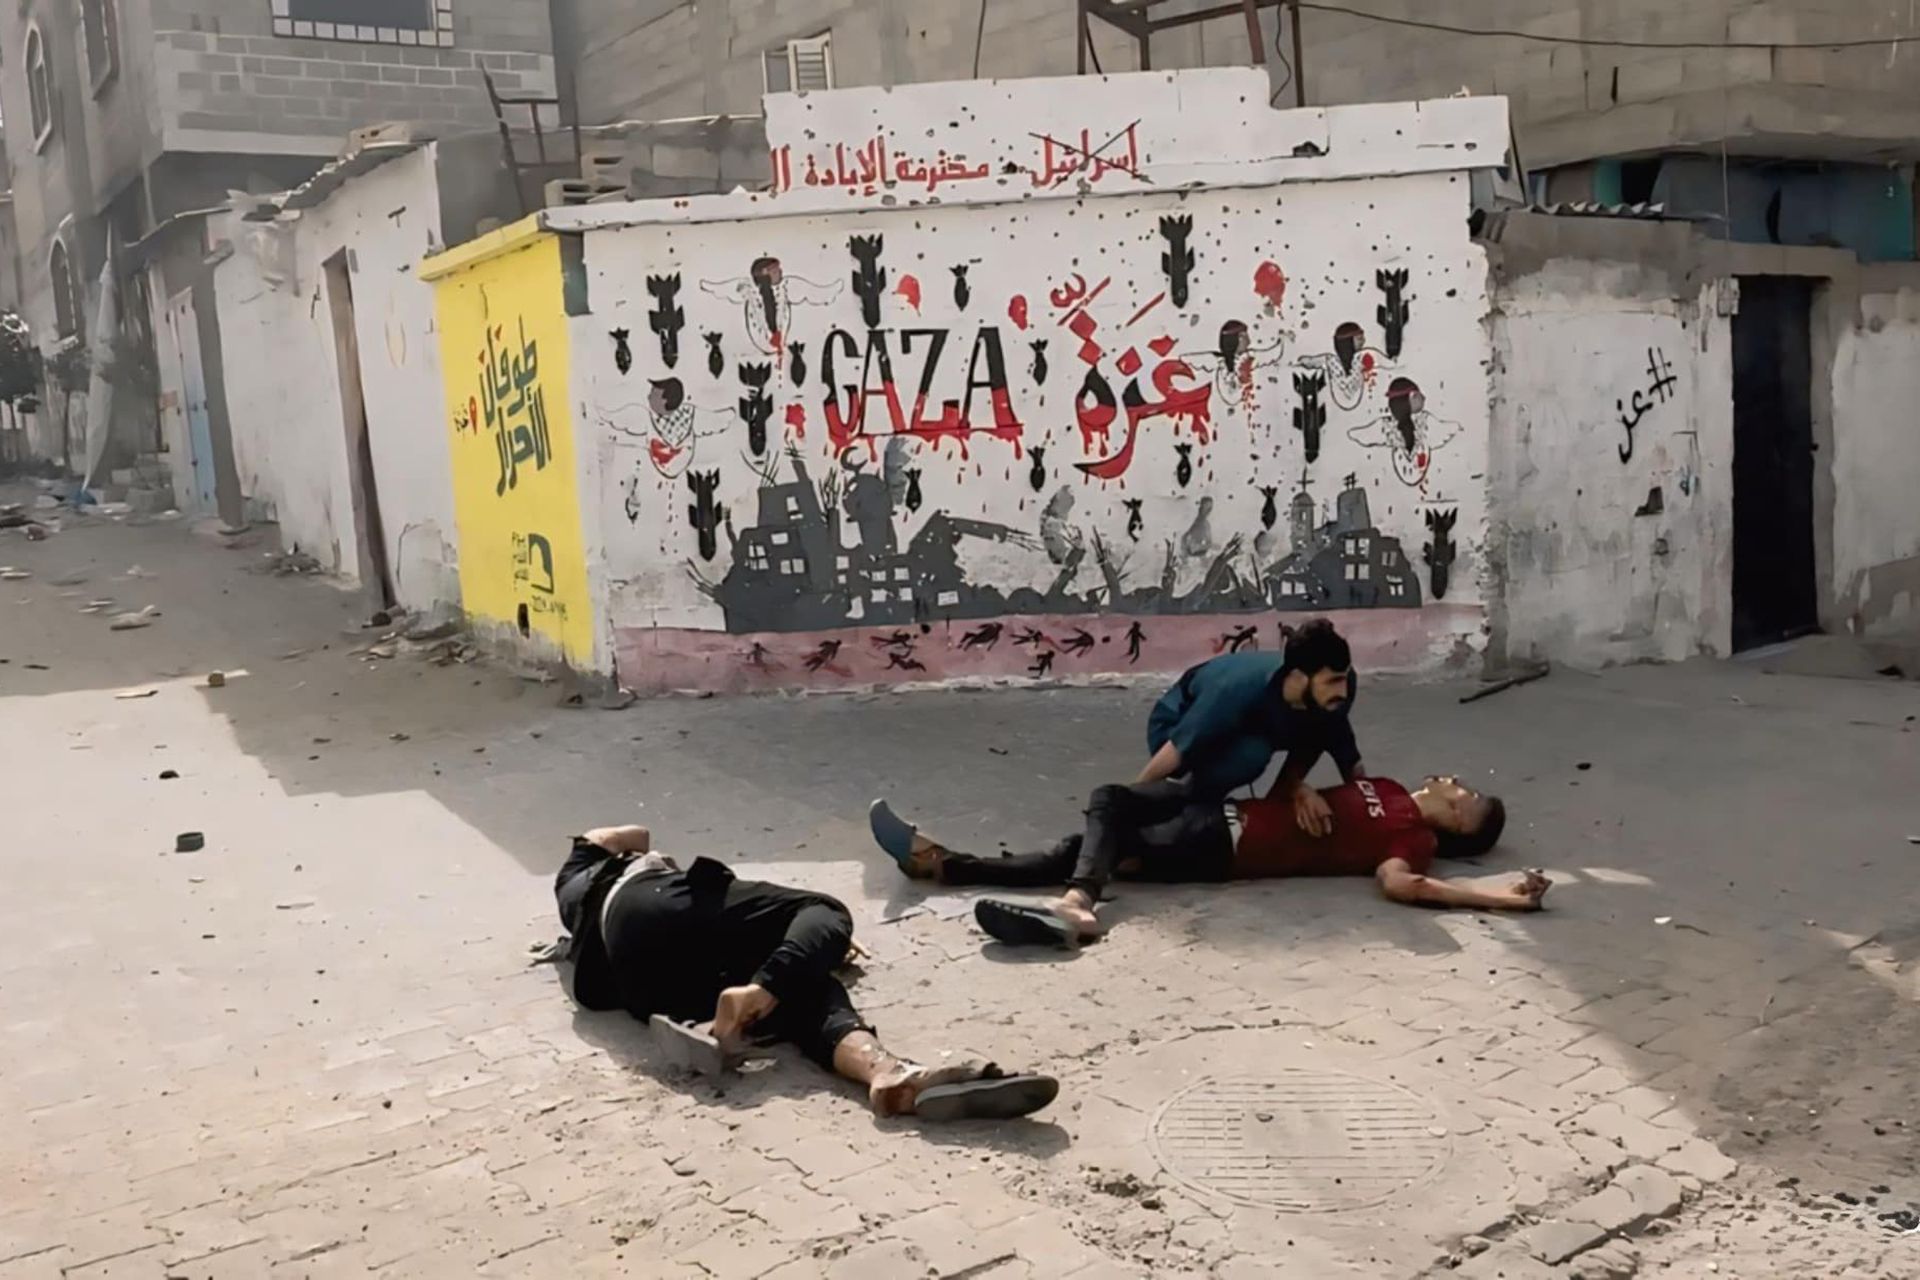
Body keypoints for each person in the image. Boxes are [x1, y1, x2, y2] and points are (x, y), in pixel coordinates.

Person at [554, 823, 1059, 1120]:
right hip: (654, 904)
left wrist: (804, 950)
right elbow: (634, 834)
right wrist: (812, 938)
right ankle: (757, 992)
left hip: (637, 985)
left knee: (805, 986)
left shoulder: (573, 892)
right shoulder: (588, 861)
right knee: (824, 911)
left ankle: (886, 1074)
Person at [869, 775, 1545, 948]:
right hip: (1222, 811)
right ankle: (946, 865)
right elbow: (1303, 777)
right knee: (1085, 846)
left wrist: (1500, 899)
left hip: (1226, 849)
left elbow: (1402, 885)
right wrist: (1300, 787)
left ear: (1459, 822)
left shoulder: (1414, 839)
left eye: (1464, 795)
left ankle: (1078, 907)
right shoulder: (1389, 786)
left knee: (1105, 814)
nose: (1452, 782)